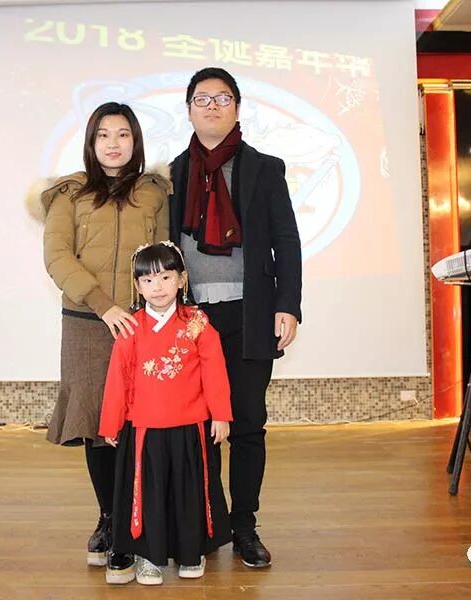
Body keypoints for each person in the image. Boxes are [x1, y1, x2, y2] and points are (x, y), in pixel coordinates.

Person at [168, 67, 302, 568]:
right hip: (191, 318)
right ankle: (210, 525)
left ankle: (245, 526)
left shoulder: (265, 168)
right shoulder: (172, 174)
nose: (212, 106)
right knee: (198, 426)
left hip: (251, 313)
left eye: (223, 98)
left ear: (238, 108)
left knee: (247, 423)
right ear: (188, 110)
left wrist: (288, 304)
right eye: (202, 99)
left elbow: (287, 241)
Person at [38, 102, 170, 580]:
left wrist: (157, 312)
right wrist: (102, 305)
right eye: (103, 135)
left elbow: (165, 256)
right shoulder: (69, 194)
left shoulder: (154, 193)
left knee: (139, 425)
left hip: (141, 323)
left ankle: (139, 522)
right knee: (98, 425)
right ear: (91, 143)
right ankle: (110, 520)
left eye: (123, 134)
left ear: (136, 141)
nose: (114, 144)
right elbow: (57, 255)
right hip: (87, 323)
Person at [99, 241, 233, 585]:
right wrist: (112, 422)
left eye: (165, 277)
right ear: (137, 285)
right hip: (145, 428)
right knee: (149, 494)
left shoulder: (198, 323)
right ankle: (149, 557)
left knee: (189, 493)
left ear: (182, 279)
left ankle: (191, 552)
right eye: (147, 280)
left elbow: (214, 371)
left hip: (190, 426)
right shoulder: (131, 328)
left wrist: (220, 414)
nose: (156, 287)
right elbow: (118, 379)